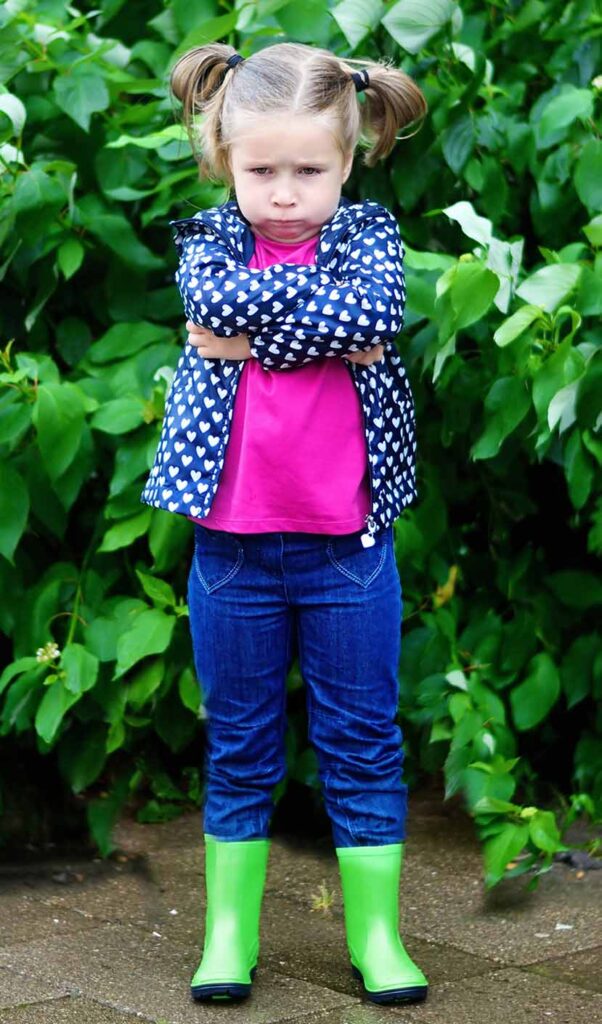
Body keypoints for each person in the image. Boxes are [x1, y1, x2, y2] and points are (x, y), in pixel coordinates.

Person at [140, 41, 428, 1006]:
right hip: (232, 554)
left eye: (310, 170)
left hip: (349, 552)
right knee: (240, 744)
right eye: (262, 170)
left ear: (348, 161)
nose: (286, 194)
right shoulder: (210, 240)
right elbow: (210, 304)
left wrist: (253, 338)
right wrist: (328, 331)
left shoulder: (370, 237)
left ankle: (377, 936)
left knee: (363, 742)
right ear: (225, 158)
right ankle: (229, 934)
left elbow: (375, 314)